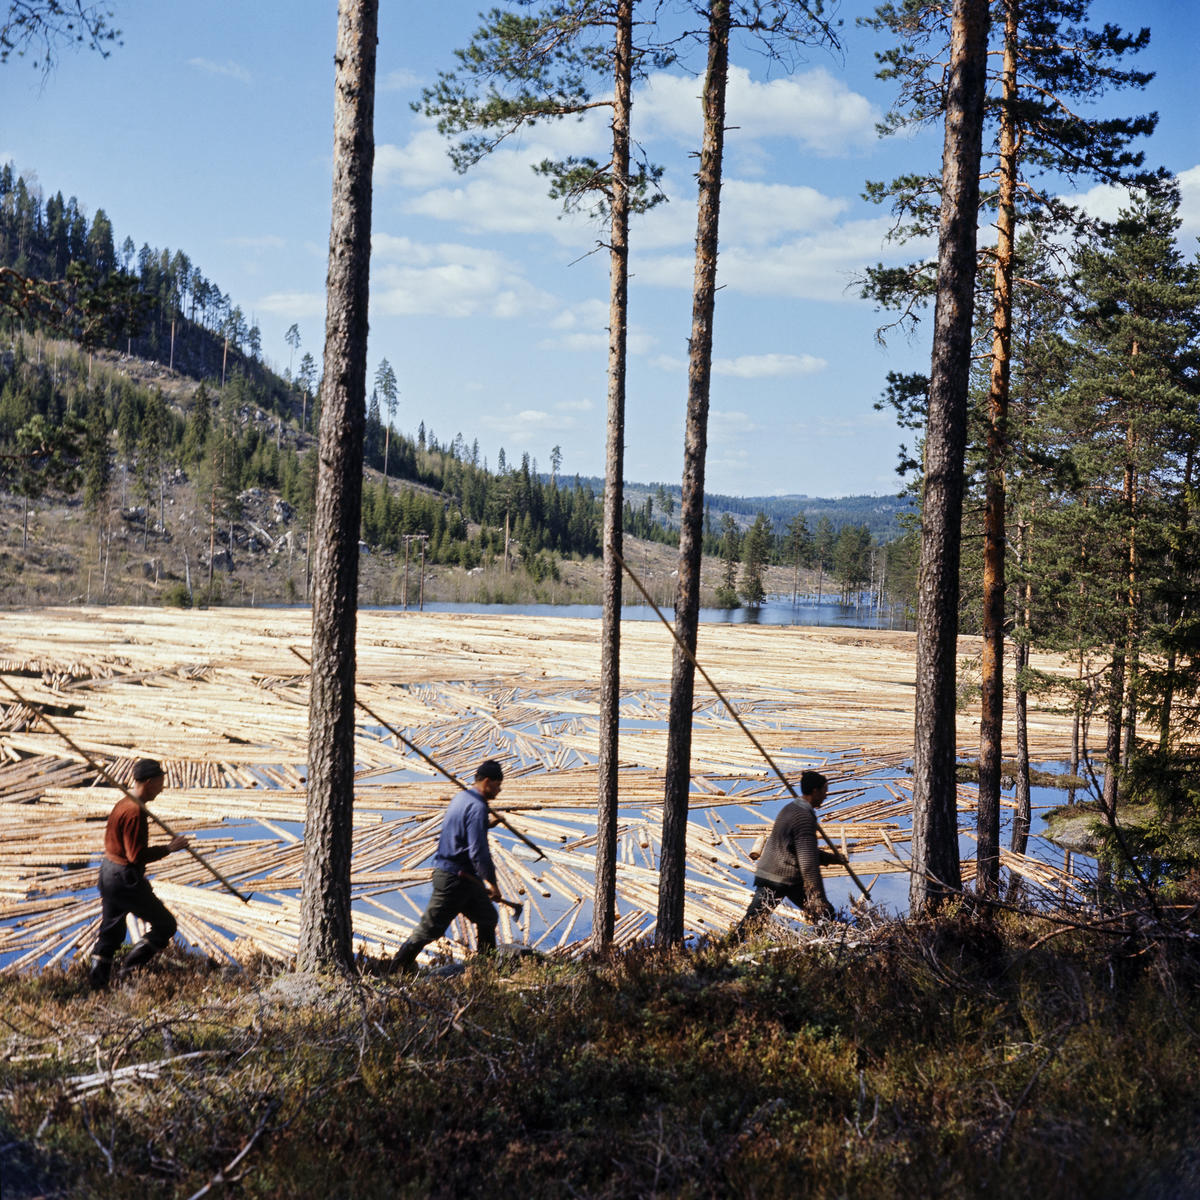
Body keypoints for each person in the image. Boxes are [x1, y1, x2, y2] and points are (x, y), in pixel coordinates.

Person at [391, 759, 505, 972]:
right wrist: (492, 883)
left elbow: (462, 829)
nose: (499, 791)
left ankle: (485, 969)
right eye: (498, 785)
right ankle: (398, 967)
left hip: (464, 878)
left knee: (487, 917)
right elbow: (478, 851)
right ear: (487, 781)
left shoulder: (462, 798)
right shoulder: (478, 807)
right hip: (454, 878)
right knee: (430, 928)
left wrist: (487, 824)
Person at [88, 758, 189, 989]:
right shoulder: (134, 811)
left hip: (108, 873)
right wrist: (168, 849)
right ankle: (128, 973)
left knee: (110, 933)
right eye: (160, 783)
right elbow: (135, 855)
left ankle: (97, 986)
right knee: (165, 924)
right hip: (124, 879)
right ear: (150, 782)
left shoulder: (125, 803)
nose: (161, 789)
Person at [733, 769, 838, 938]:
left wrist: (832, 859)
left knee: (753, 920)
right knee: (823, 913)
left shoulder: (792, 808)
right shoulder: (803, 817)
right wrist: (818, 897)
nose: (826, 796)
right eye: (825, 791)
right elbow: (808, 862)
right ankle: (823, 946)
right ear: (815, 791)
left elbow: (800, 848)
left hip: (775, 872)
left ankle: (730, 946)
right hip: (780, 877)